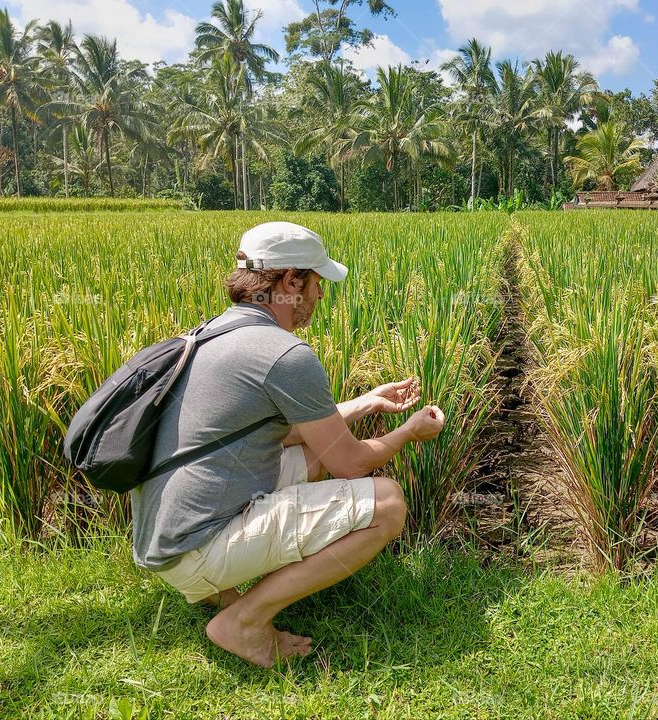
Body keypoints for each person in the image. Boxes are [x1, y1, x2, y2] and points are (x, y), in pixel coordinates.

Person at [130, 221, 445, 667]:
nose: (319, 295)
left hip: (161, 537)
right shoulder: (285, 354)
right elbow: (351, 463)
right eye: (316, 283)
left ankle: (219, 591)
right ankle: (243, 621)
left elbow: (281, 431)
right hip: (191, 546)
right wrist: (410, 431)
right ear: (290, 281)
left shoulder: (213, 332)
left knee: (310, 455)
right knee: (389, 504)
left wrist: (367, 403)